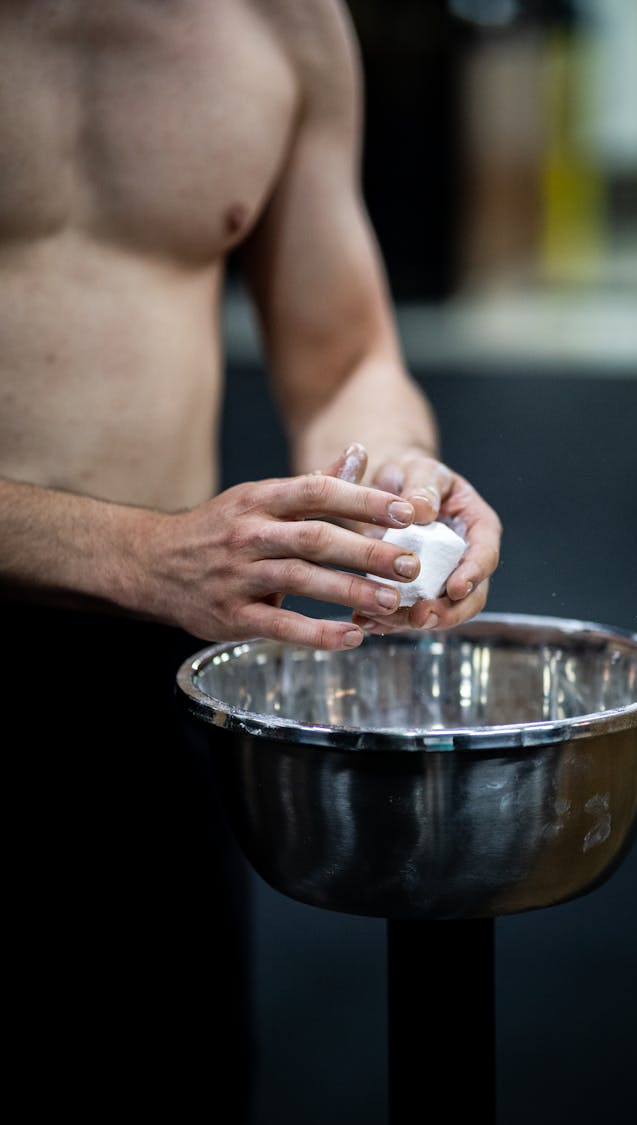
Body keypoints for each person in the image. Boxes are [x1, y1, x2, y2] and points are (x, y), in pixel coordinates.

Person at [1, 1, 501, 1120]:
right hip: (155, 578)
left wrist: (401, 488)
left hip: (148, 684)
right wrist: (133, 547)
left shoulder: (282, 22)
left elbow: (344, 356)